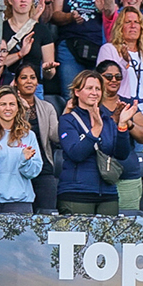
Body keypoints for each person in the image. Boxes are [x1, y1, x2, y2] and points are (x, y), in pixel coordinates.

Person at [57, 70, 135, 215]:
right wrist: (95, 130)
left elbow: (122, 154)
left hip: (107, 193)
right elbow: (76, 154)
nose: (94, 92)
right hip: (77, 193)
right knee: (78, 238)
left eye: (98, 89)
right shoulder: (68, 120)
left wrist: (122, 125)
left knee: (106, 238)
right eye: (89, 88)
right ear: (77, 92)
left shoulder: (107, 120)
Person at [0, 87, 43, 214]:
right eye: (3, 104)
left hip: (20, 203)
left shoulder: (28, 136)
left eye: (12, 104)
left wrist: (25, 161)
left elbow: (34, 172)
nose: (8, 108)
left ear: (18, 108)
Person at [50, 0, 109, 91]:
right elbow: (55, 15)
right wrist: (70, 17)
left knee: (95, 94)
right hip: (70, 43)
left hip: (97, 44)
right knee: (70, 92)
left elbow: (112, 16)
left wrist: (102, 9)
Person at [97, 6, 143, 127]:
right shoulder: (109, 49)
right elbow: (107, 83)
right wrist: (124, 62)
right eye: (128, 22)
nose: (133, 26)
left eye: (137, 22)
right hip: (120, 113)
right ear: (120, 27)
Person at [97, 59, 143, 210]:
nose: (114, 80)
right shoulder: (91, 104)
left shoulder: (129, 104)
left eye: (118, 77)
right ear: (98, 77)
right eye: (108, 76)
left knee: (127, 226)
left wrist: (127, 122)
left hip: (127, 174)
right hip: (97, 175)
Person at [0, 0, 57, 90]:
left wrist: (47, 69)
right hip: (5, 85)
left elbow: (50, 74)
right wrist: (20, 54)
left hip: (33, 87)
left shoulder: (42, 31)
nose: (23, 0)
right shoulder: (0, 29)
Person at [14, 64, 59, 211]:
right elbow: (17, 133)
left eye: (32, 78)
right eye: (24, 78)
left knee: (46, 215)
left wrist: (67, 112)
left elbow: (55, 137)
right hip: (16, 168)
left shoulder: (47, 107)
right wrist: (24, 111)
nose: (29, 81)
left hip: (43, 167)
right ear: (16, 82)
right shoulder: (9, 107)